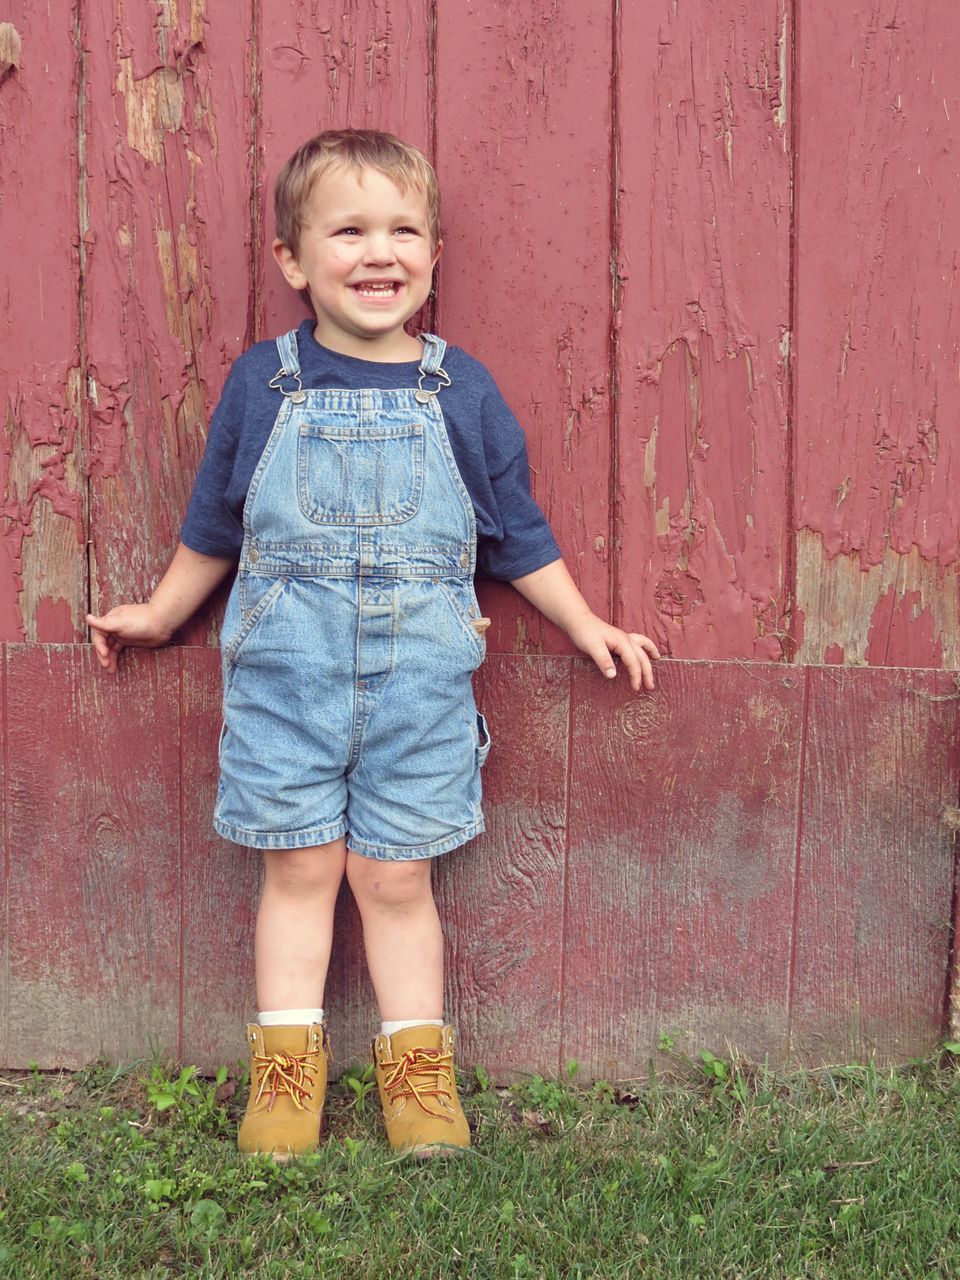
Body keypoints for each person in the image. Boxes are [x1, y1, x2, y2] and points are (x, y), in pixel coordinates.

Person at [87, 129, 660, 1160]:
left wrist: (585, 623)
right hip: (285, 679)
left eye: (404, 230)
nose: (379, 252)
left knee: (396, 877)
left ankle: (418, 1077)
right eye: (348, 230)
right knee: (300, 865)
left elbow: (514, 531)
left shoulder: (461, 391)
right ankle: (286, 1072)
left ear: (435, 255)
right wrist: (164, 611)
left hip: (420, 686)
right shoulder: (264, 385)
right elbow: (219, 519)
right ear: (294, 262)